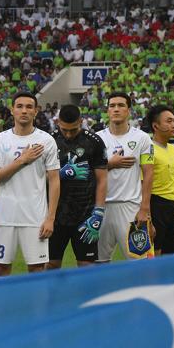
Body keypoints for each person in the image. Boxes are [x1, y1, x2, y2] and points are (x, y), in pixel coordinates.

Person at [0, 92, 60, 276]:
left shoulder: (46, 141)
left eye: (29, 107)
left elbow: (54, 180)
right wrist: (22, 160)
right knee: (1, 267)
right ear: (12, 110)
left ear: (36, 111)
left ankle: (37, 297)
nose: (24, 111)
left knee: (37, 268)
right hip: (4, 216)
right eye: (19, 106)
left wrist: (50, 218)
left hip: (35, 217)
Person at [96, 92, 154, 262]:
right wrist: (109, 164)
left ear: (129, 110)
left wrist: (144, 209)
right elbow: (89, 171)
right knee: (98, 262)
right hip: (101, 208)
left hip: (131, 208)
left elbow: (149, 173)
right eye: (112, 106)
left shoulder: (143, 138)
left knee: (141, 261)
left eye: (121, 105)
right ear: (107, 110)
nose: (116, 109)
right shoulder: (96, 138)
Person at [49, 104, 108, 269]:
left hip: (85, 215)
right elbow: (39, 177)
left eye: (73, 130)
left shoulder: (94, 141)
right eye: (64, 130)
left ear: (81, 122)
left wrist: (98, 213)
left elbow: (102, 179)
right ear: (58, 122)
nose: (68, 134)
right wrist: (61, 174)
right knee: (51, 264)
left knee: (87, 266)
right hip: (55, 215)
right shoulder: (49, 141)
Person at [147, 105, 174, 255]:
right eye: (168, 121)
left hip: (171, 208)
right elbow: (143, 186)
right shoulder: (148, 149)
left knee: (171, 255)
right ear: (155, 126)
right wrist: (148, 220)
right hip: (155, 206)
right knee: (154, 255)